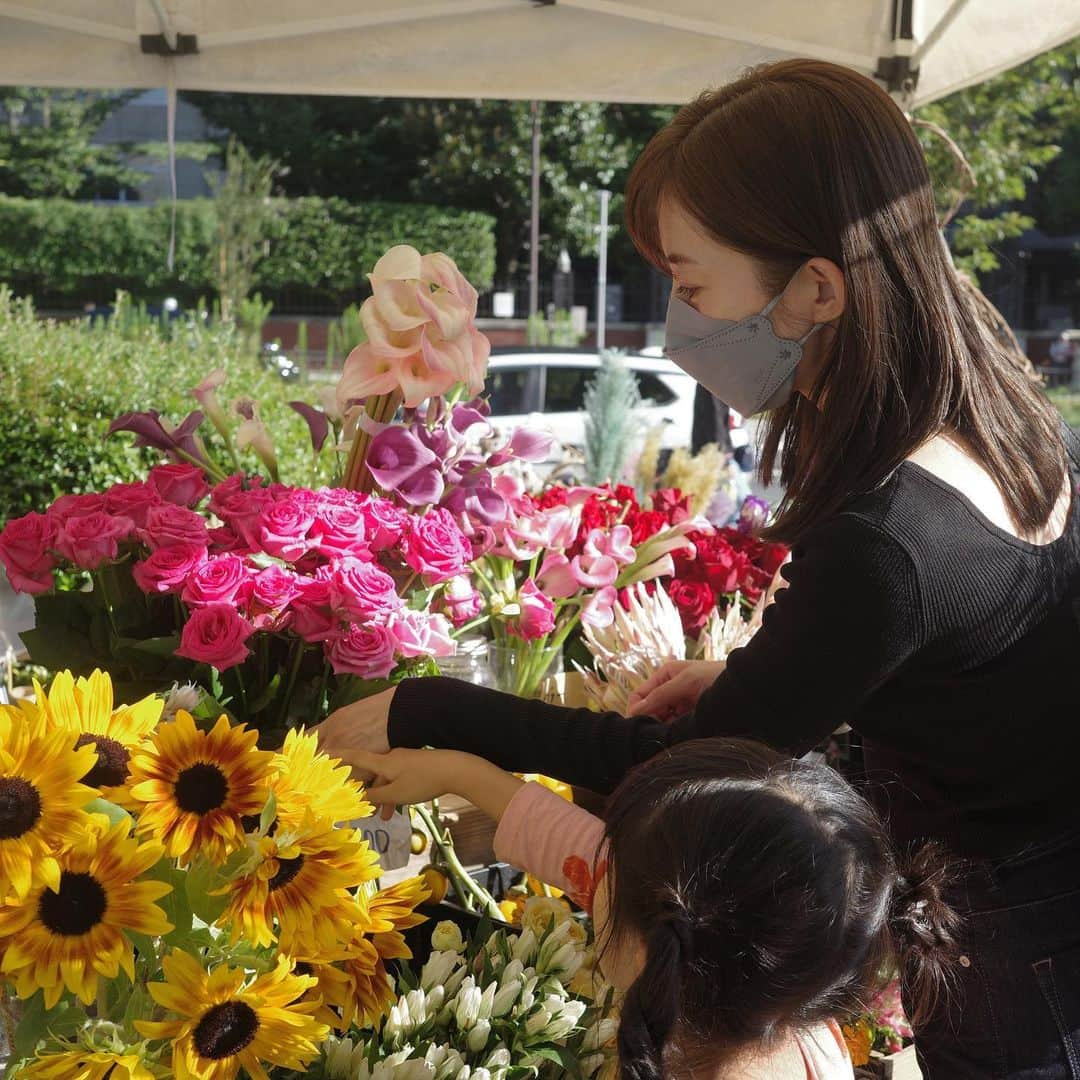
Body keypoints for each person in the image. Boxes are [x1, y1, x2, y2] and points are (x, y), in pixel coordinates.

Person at [317, 59, 1080, 1078]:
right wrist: (756, 677)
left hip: (1008, 963)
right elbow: (978, 671)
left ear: (816, 288)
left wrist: (435, 715)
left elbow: (684, 779)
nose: (680, 322)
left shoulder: (886, 537)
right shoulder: (1003, 424)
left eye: (689, 282)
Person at [350, 738, 957, 1079]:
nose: (595, 873)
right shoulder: (799, 1020)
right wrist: (457, 770)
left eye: (610, 866)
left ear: (646, 946)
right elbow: (576, 848)